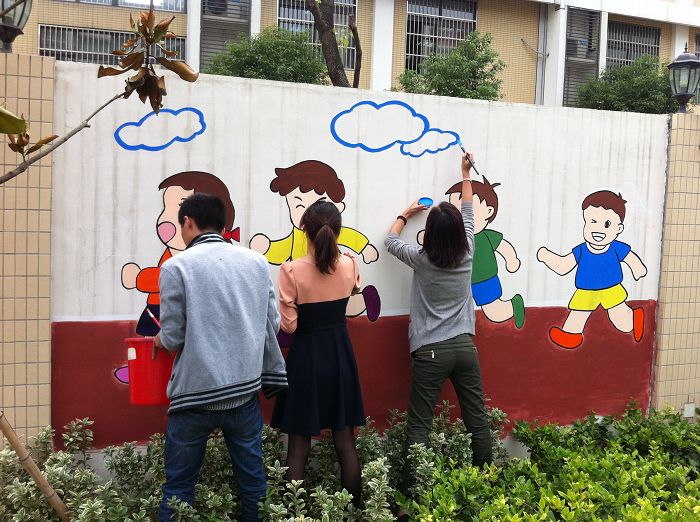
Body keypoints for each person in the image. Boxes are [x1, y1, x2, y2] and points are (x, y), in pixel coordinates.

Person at [154, 193, 287, 522]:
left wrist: (158, 339)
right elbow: (272, 324)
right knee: (253, 484)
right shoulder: (256, 262)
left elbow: (173, 337)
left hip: (194, 397)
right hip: (244, 392)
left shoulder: (175, 267)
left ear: (188, 222)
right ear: (222, 224)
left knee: (179, 487)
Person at [384, 153, 493, 499]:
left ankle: (412, 495)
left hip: (430, 351)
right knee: (477, 419)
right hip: (464, 347)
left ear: (429, 233)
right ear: (459, 232)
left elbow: (390, 242)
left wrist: (405, 214)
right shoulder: (469, 251)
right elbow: (469, 212)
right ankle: (486, 485)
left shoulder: (421, 260)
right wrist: (465, 174)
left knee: (419, 425)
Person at [270, 200, 366, 507]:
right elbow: (354, 290)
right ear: (337, 231)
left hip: (306, 358)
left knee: (298, 446)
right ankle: (353, 512)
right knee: (345, 442)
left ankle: (292, 513)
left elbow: (289, 325)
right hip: (340, 354)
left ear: (304, 230)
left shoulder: (291, 271)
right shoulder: (350, 264)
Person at [537, 190, 646, 349]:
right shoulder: (581, 250)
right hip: (586, 290)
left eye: (606, 224)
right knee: (577, 315)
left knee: (622, 322)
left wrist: (638, 269)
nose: (598, 229)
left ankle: (634, 318)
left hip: (611, 288)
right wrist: (546, 256)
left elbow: (631, 259)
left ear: (618, 229)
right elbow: (563, 266)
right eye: (592, 222)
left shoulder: (616, 248)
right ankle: (570, 336)